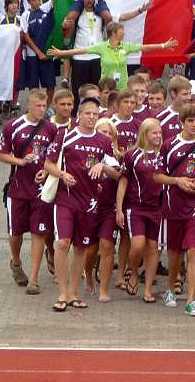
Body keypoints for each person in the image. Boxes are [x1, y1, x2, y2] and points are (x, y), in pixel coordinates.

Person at [44, 97, 121, 312]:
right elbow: (48, 163)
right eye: (88, 113)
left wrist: (102, 167)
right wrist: (62, 174)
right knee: (62, 243)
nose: (91, 117)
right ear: (79, 115)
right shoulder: (65, 135)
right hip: (66, 199)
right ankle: (61, 292)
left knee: (81, 246)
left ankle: (74, 293)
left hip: (90, 202)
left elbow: (117, 173)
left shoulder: (103, 141)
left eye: (95, 114)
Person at [153, 104, 195, 317]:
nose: (194, 125)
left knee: (193, 250)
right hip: (172, 205)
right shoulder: (168, 144)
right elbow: (157, 176)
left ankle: (191, 300)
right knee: (174, 252)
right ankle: (170, 288)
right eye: (190, 121)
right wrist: (177, 181)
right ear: (182, 122)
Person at [0, 90, 58, 294]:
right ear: (29, 105)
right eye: (38, 106)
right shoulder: (13, 126)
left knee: (39, 233)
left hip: (41, 191)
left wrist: (45, 170)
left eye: (44, 106)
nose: (42, 109)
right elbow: (2, 154)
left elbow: (55, 157)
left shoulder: (50, 129)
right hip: (18, 189)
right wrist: (20, 161)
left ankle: (33, 279)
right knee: (15, 233)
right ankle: (15, 262)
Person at [49, 22, 177, 91]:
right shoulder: (102, 47)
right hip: (106, 88)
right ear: (113, 33)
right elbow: (81, 51)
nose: (124, 32)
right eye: (121, 30)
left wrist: (163, 46)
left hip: (122, 87)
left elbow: (145, 47)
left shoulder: (126, 46)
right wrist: (61, 53)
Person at [116, 118, 163, 303]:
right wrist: (119, 208)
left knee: (153, 248)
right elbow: (123, 180)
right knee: (137, 244)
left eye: (160, 132)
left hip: (157, 207)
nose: (158, 136)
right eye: (154, 133)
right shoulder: (132, 155)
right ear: (145, 134)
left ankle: (148, 289)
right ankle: (133, 272)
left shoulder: (164, 154)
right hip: (136, 206)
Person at [83, 117, 121, 300]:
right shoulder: (85, 150)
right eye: (102, 132)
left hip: (109, 208)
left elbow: (118, 175)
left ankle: (104, 290)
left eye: (109, 133)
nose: (105, 135)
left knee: (107, 246)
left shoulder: (117, 155)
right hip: (89, 206)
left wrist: (104, 167)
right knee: (90, 249)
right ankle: (88, 275)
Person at [21, 0, 55, 104]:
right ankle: (35, 106)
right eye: (33, 0)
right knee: (33, 86)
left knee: (50, 84)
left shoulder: (46, 9)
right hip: (33, 55)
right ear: (29, 2)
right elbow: (26, 36)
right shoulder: (25, 15)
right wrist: (38, 52)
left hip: (47, 53)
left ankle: (48, 107)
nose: (36, 2)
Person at [156, 75, 192, 140]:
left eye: (190, 93)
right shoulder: (160, 117)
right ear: (173, 94)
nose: (189, 97)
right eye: (185, 94)